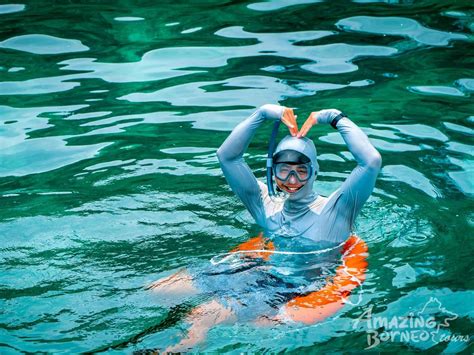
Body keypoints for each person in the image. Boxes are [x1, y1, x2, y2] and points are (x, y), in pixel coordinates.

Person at [151, 104, 381, 351]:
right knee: (159, 290)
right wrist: (262, 113)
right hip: (252, 271)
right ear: (273, 171)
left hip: (291, 289)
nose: (292, 181)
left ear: (315, 171)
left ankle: (174, 348)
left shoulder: (335, 212)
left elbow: (371, 162)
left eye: (301, 171)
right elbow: (226, 156)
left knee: (202, 318)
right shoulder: (265, 206)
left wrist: (334, 117)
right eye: (284, 171)